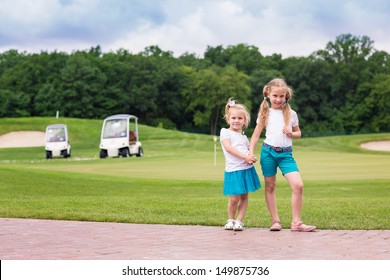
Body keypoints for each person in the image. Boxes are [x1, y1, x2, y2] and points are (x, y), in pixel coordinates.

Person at [249, 78, 316, 232]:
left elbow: (299, 133)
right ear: (268, 94)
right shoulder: (264, 113)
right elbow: (255, 136)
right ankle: (275, 221)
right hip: (268, 153)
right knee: (270, 186)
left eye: (281, 96)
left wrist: (292, 133)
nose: (278, 99)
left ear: (286, 96)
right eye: (275, 96)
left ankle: (296, 223)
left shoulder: (291, 113)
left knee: (298, 185)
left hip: (286, 155)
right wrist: (250, 153)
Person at [220, 98, 261, 231]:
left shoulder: (243, 137)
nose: (236, 121)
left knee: (244, 196)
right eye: (233, 118)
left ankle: (239, 221)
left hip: (246, 169)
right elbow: (229, 148)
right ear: (228, 119)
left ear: (244, 121)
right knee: (234, 198)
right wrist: (245, 156)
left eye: (239, 118)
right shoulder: (225, 132)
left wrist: (251, 157)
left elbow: (249, 150)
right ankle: (231, 219)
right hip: (233, 170)